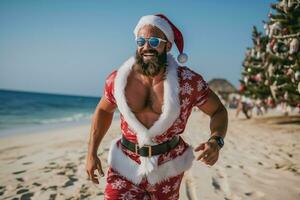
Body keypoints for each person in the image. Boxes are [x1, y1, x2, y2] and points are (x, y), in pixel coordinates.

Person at [86, 14, 228, 200]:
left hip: (168, 169)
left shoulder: (189, 83)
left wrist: (216, 141)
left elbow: (218, 111)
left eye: (154, 41)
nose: (146, 47)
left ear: (168, 45)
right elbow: (104, 110)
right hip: (125, 165)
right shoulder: (118, 80)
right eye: (141, 41)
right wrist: (91, 153)